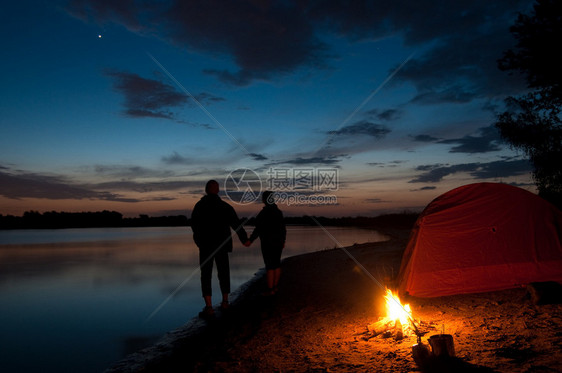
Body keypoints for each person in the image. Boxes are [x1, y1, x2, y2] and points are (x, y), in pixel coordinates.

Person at [191, 180, 248, 318]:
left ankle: (209, 307)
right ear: (217, 191)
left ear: (206, 190)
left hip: (206, 246)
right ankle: (225, 302)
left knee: (206, 275)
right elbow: (236, 223)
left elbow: (194, 225)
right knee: (223, 272)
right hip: (221, 245)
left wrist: (198, 240)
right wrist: (244, 239)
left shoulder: (199, 206)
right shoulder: (224, 206)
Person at [245, 191, 286, 296]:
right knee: (276, 264)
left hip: (268, 243)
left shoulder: (263, 213)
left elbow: (258, 229)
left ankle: (270, 289)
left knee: (270, 266)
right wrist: (283, 241)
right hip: (278, 242)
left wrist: (250, 240)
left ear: (264, 200)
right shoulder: (278, 212)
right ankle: (275, 287)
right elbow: (283, 229)